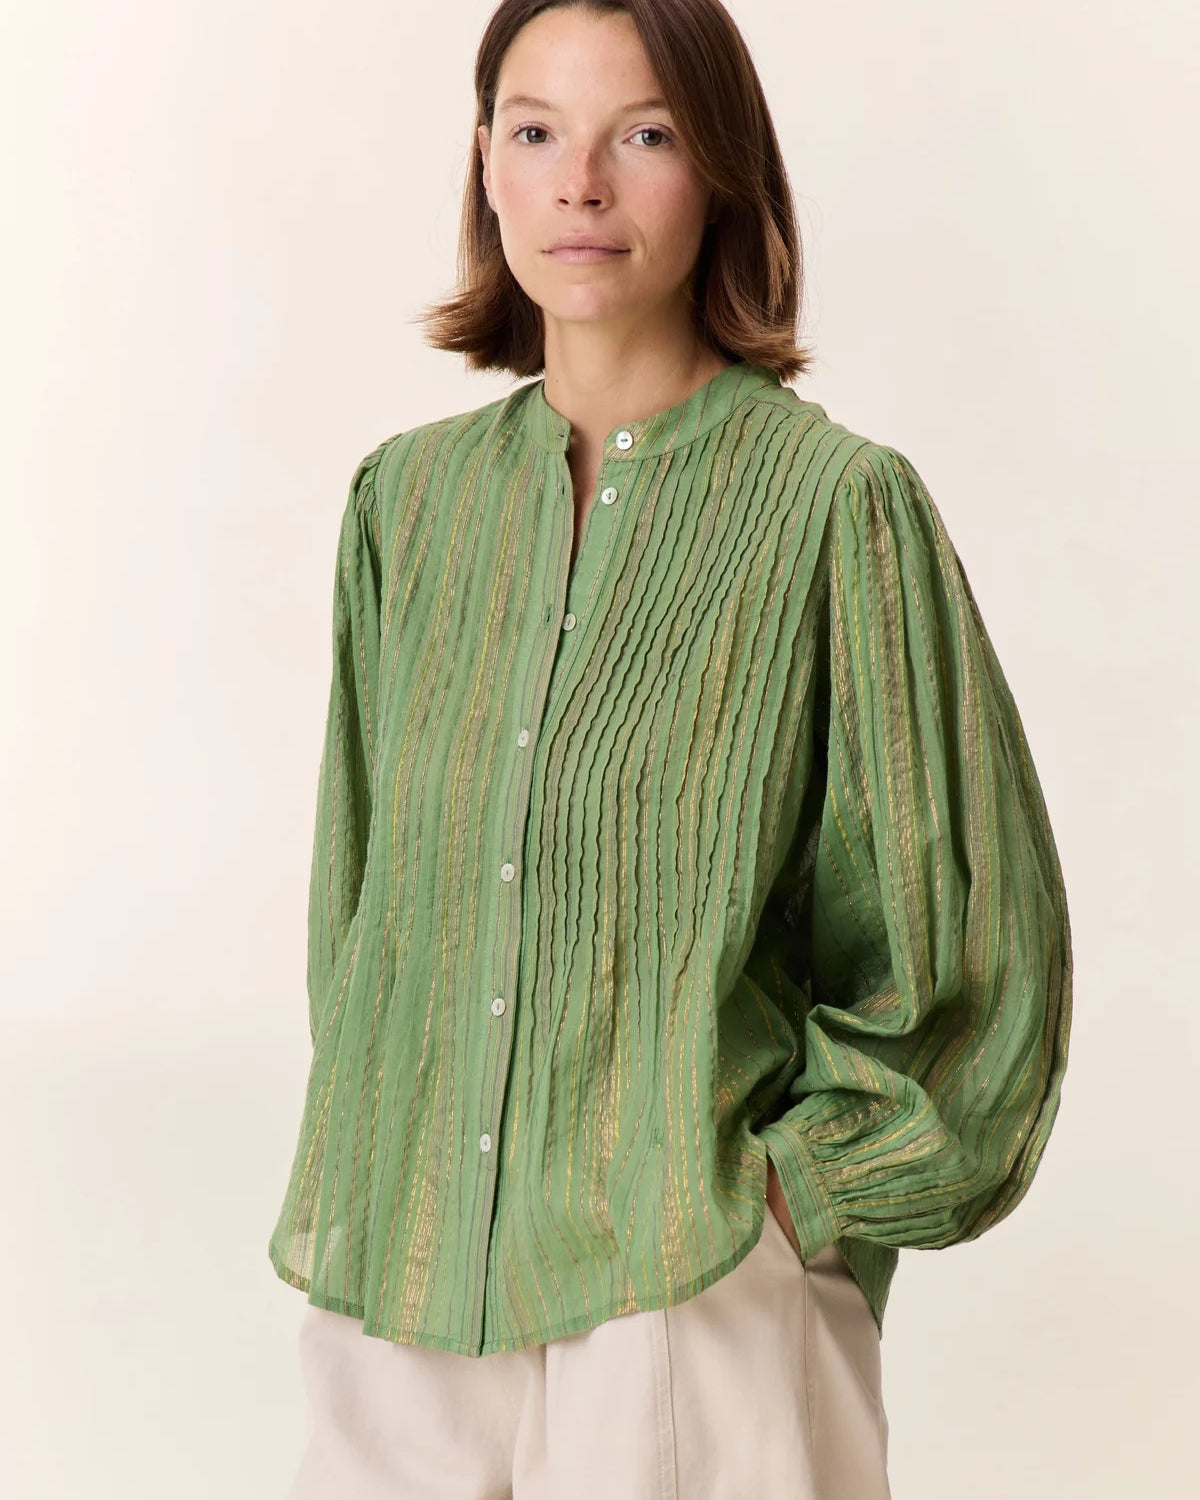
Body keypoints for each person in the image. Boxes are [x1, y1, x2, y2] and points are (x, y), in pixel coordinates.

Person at [270, 2, 1074, 1496]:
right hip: (401, 1291)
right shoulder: (408, 507)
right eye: (535, 131)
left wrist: (788, 1196)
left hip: (688, 1298)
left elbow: (967, 970)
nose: (580, 184)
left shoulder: (835, 512)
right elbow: (363, 917)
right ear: (487, 171)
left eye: (640, 134)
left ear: (718, 170)